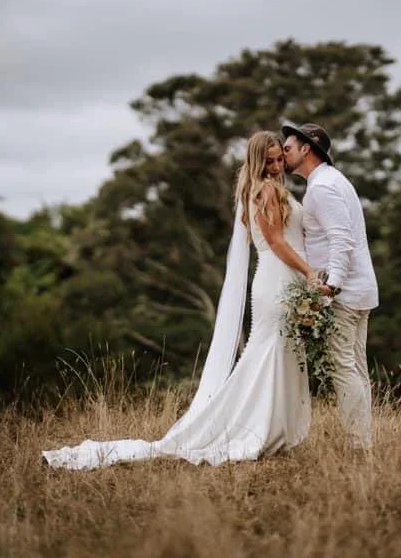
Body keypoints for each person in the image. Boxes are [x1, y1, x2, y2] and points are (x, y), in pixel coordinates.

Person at [42, 131, 314, 469]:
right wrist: (310, 272)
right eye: (269, 161)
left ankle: (269, 429)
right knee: (268, 352)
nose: (276, 167)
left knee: (276, 351)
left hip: (279, 278)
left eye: (278, 160)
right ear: (257, 162)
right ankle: (249, 428)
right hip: (278, 277)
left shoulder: (257, 189)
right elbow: (274, 241)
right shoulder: (268, 190)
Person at [282, 122, 379, 450]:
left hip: (345, 292)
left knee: (342, 367)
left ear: (306, 149)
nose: (284, 155)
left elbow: (342, 238)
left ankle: (358, 444)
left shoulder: (322, 187)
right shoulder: (333, 181)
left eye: (288, 149)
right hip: (359, 289)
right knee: (355, 365)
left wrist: (332, 284)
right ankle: (363, 442)